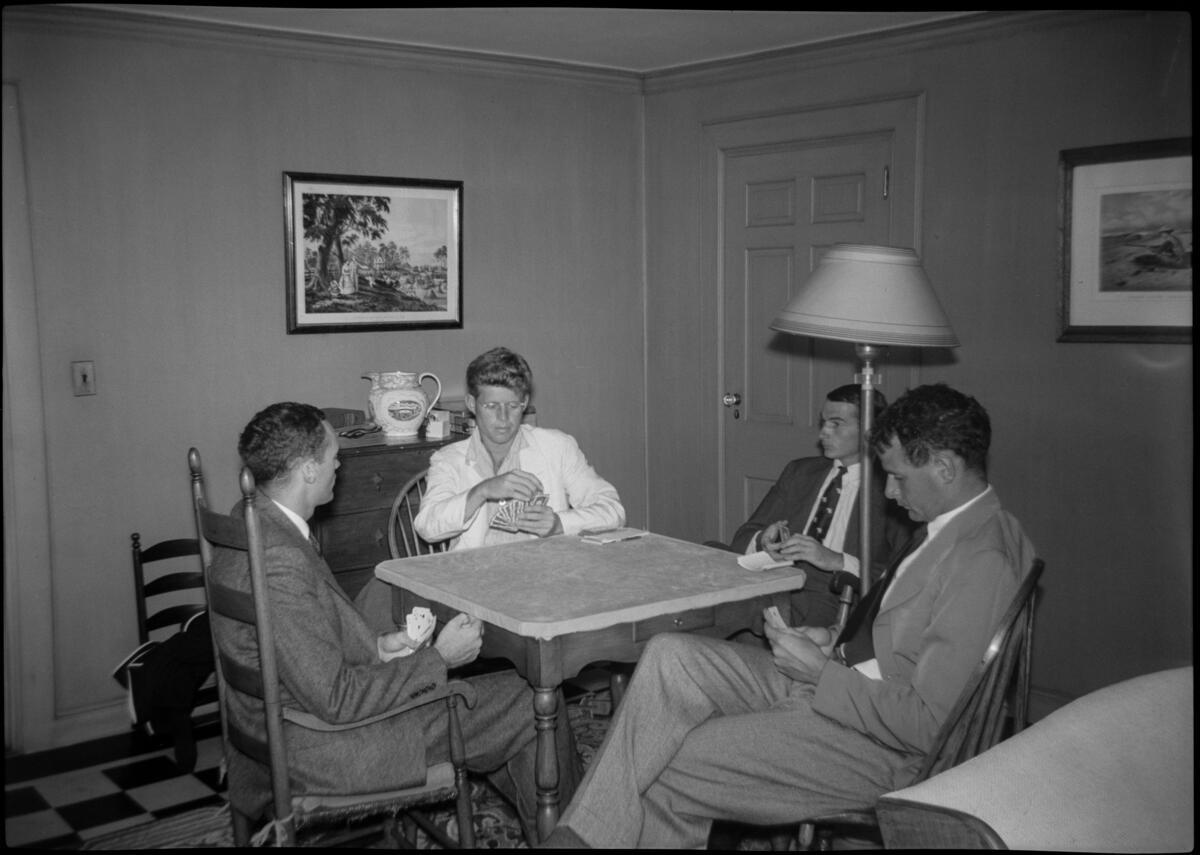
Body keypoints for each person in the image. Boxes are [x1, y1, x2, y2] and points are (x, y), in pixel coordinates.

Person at [542, 384, 1036, 849]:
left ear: (946, 469)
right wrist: (830, 637)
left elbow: (931, 726)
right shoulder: (953, 526)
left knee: (669, 759)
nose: (888, 494)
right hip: (844, 684)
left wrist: (820, 675)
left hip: (882, 749)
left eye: (899, 477)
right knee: (672, 655)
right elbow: (900, 629)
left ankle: (585, 836)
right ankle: (585, 834)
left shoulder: (981, 560)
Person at [207, 402, 580, 842]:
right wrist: (439, 657)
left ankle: (553, 827)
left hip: (279, 734)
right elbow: (337, 699)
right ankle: (574, 832)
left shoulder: (246, 524)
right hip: (322, 749)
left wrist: (381, 647)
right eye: (333, 455)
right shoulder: (281, 560)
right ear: (308, 470)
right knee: (530, 701)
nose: (339, 463)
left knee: (506, 722)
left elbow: (301, 646)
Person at [729, 384, 913, 628]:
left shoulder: (891, 490)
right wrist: (763, 540)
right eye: (823, 422)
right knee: (707, 563)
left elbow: (905, 575)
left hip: (834, 595)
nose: (823, 432)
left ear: (870, 429)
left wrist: (837, 561)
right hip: (779, 580)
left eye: (836, 423)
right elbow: (741, 539)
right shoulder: (801, 472)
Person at [415, 347, 625, 550]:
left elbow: (613, 511)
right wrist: (481, 492)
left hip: (543, 572)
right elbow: (427, 528)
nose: (503, 418)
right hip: (476, 576)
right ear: (471, 403)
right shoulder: (448, 460)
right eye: (491, 406)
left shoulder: (557, 447)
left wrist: (559, 523)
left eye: (513, 406)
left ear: (524, 403)